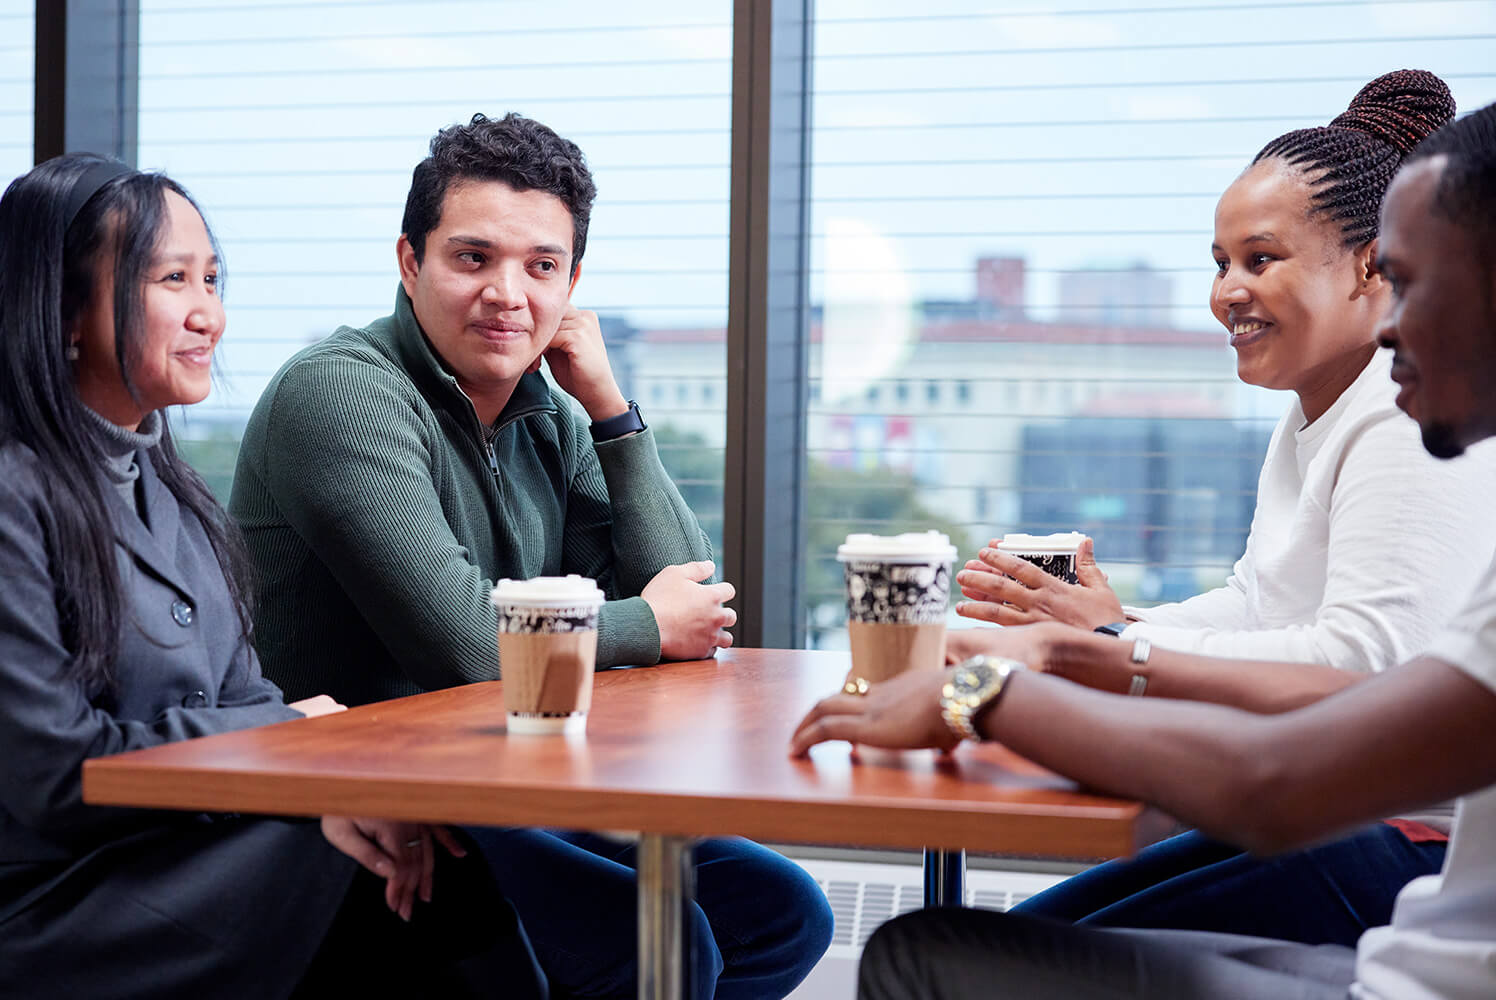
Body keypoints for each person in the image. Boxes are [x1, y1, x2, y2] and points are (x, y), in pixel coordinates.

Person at [791, 98, 1496, 999]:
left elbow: (1349, 682)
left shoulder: (1395, 426)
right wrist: (1109, 634)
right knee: (991, 941)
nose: (1227, 290)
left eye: (1416, 282)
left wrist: (1038, 668)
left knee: (930, 955)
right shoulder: (1317, 412)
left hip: (1390, 845)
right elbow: (1260, 604)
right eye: (1220, 263)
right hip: (1394, 879)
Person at [229, 113, 832, 1000]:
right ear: (410, 261)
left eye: (541, 267)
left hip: (503, 774)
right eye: (472, 258)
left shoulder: (545, 408)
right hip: (366, 790)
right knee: (660, 947)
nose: (508, 293)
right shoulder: (342, 392)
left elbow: (690, 598)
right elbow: (471, 646)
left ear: (572, 282)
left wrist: (611, 412)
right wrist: (647, 624)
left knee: (781, 914)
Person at [0, 155, 544, 998]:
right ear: (66, 311)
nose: (207, 314)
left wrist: (309, 770)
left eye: (211, 279)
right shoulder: (13, 496)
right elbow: (57, 777)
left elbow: (245, 701)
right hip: (63, 898)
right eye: (172, 279)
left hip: (186, 851)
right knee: (400, 877)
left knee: (421, 852)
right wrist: (291, 742)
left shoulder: (176, 496)